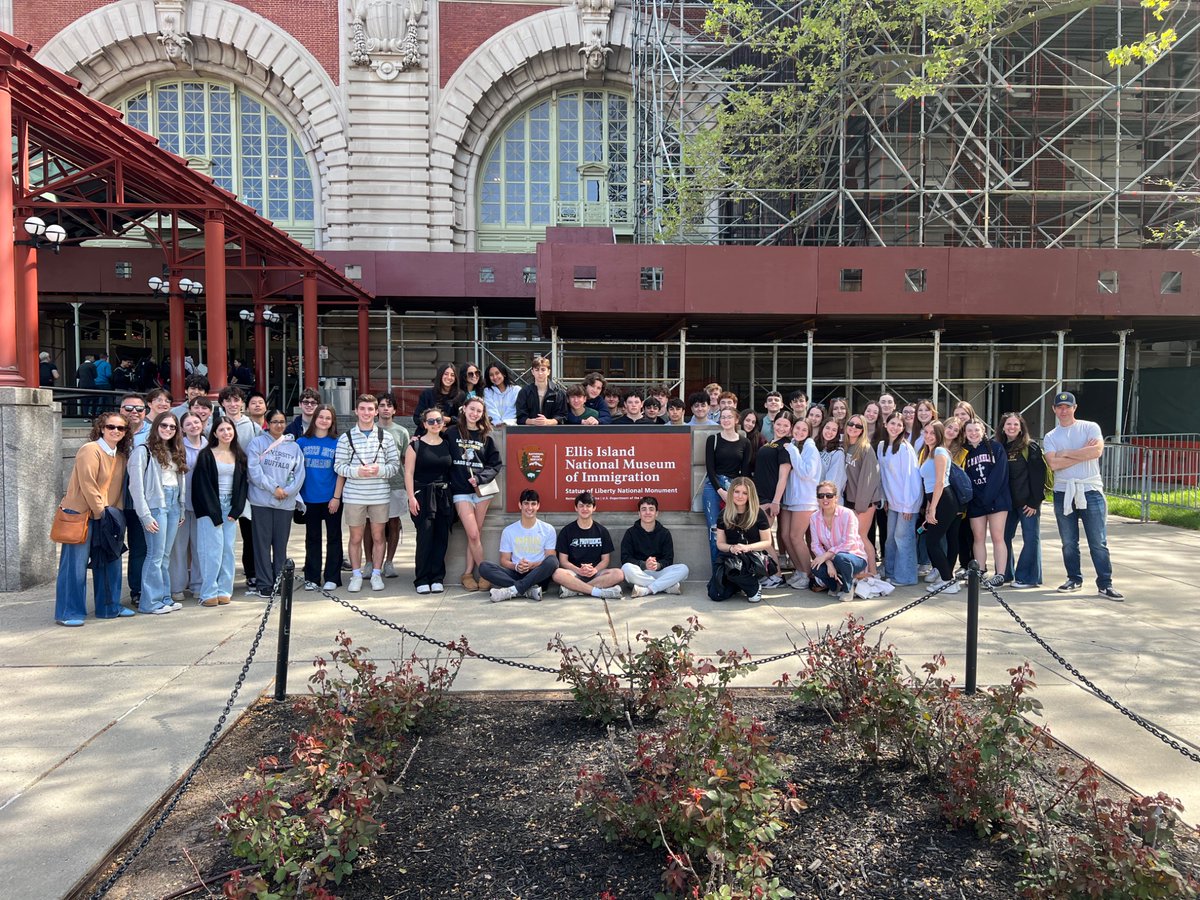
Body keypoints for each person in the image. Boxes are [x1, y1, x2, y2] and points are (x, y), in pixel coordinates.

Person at [54, 412, 132, 625]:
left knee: (110, 562)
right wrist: (101, 513)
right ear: (101, 428)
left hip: (107, 515)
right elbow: (88, 485)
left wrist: (115, 516)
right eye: (110, 427)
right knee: (75, 567)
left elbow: (118, 491)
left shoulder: (121, 456)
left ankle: (109, 607)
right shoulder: (90, 450)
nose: (115, 431)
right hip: (81, 515)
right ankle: (69, 612)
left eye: (120, 428)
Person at [1043, 392, 1122, 600]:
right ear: (1054, 409)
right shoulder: (1051, 436)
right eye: (1059, 407)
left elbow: (1096, 451)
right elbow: (1053, 464)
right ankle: (1074, 578)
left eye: (1067, 407)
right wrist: (1080, 453)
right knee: (1069, 541)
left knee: (1098, 541)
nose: (1063, 410)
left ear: (1074, 408)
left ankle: (1105, 583)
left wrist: (1066, 452)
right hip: (1063, 492)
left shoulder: (1090, 427)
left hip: (1090, 491)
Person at [336, 394, 402, 592]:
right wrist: (357, 471)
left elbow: (394, 466)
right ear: (356, 411)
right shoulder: (346, 437)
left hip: (379, 494)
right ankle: (356, 574)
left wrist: (379, 470)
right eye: (362, 409)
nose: (366, 413)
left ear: (376, 412)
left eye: (370, 409)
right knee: (355, 537)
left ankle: (376, 573)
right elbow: (339, 466)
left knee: (379, 536)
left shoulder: (386, 437)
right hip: (354, 494)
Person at [128, 411, 187, 614]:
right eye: (164, 426)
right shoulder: (142, 451)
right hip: (155, 506)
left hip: (172, 504)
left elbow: (179, 483)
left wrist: (181, 508)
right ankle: (149, 602)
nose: (168, 430)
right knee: (154, 555)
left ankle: (164, 597)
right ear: (156, 427)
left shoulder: (175, 450)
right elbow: (135, 487)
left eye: (172, 427)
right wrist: (145, 515)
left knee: (165, 555)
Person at [246, 409, 306, 598]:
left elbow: (299, 473)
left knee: (280, 544)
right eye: (274, 422)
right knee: (262, 544)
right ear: (268, 423)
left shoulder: (293, 446)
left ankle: (280, 581)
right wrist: (274, 488)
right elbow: (254, 471)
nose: (279, 425)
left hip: (285, 502)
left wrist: (288, 491)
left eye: (282, 422)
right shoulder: (257, 443)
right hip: (261, 501)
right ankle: (264, 583)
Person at [447, 397, 501, 591]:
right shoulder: (452, 433)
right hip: (461, 491)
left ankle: (468, 573)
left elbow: (495, 464)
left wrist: (479, 478)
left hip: (482, 491)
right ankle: (485, 572)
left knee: (475, 535)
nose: (475, 414)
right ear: (464, 409)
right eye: (472, 409)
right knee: (472, 532)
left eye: (479, 411)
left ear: (482, 413)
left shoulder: (486, 435)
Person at [192, 419, 249, 607]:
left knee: (227, 551)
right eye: (221, 429)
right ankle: (208, 592)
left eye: (229, 429)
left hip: (230, 508)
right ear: (215, 433)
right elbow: (202, 486)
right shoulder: (206, 455)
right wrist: (214, 512)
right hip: (211, 508)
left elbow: (242, 485)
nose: (226, 432)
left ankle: (225, 590)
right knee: (211, 551)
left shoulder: (239, 455)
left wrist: (237, 509)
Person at [404, 405, 454, 593]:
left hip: (443, 495)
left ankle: (437, 577)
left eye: (438, 421)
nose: (435, 424)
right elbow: (408, 473)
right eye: (431, 421)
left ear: (443, 423)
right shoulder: (415, 445)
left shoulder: (448, 443)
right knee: (425, 537)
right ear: (424, 424)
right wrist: (411, 497)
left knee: (441, 537)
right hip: (422, 495)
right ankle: (422, 578)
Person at [482, 488, 559, 602]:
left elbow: (549, 558)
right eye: (526, 503)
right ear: (520, 505)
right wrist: (516, 566)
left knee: (553, 560)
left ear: (538, 506)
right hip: (516, 573)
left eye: (533, 504)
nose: (529, 508)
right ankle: (528, 591)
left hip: (539, 575)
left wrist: (532, 565)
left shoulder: (548, 529)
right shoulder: (509, 531)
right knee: (484, 567)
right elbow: (504, 560)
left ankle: (513, 590)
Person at [298, 404, 343, 591]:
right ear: (314, 418)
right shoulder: (302, 442)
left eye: (328, 418)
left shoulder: (338, 442)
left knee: (334, 537)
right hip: (309, 499)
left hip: (331, 498)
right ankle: (312, 577)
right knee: (312, 538)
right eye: (321, 417)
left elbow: (341, 472)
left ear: (332, 421)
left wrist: (336, 497)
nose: (324, 421)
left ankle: (333, 576)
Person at [218, 386, 259, 592]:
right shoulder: (215, 425)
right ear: (222, 403)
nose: (233, 404)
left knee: (249, 531)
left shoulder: (252, 426)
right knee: (222, 533)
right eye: (228, 401)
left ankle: (251, 573)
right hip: (223, 483)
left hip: (247, 483)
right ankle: (221, 575)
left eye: (237, 400)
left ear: (242, 403)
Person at [962, 418, 1010, 588]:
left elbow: (1000, 474)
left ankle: (1000, 574)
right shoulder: (964, 452)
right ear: (965, 433)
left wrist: (988, 496)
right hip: (976, 501)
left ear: (983, 431)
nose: (973, 433)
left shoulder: (995, 448)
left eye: (977, 430)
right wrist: (974, 498)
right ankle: (980, 571)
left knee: (998, 537)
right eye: (970, 431)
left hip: (997, 500)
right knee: (978, 537)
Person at [1000, 412, 1045, 589]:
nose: (1012, 427)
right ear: (1002, 427)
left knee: (1031, 538)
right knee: (1003, 538)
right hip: (1007, 504)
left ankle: (1028, 577)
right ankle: (1005, 573)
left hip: (1028, 504)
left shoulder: (1030, 447)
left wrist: (1035, 502)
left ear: (1021, 427)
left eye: (1015, 424)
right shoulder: (999, 447)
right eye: (1008, 424)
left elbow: (1038, 476)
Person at [703, 407, 753, 568]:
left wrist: (734, 493)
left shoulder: (745, 442)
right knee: (714, 531)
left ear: (736, 420)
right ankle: (717, 571)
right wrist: (721, 491)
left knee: (735, 530)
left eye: (729, 417)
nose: (725, 420)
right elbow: (710, 469)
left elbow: (745, 473)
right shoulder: (713, 439)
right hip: (714, 487)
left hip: (736, 488)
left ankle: (735, 570)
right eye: (723, 417)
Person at [709, 477, 772, 603]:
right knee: (715, 594)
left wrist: (747, 547)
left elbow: (767, 542)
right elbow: (720, 544)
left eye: (745, 493)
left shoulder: (758, 513)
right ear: (731, 492)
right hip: (730, 555)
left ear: (750, 495)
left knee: (735, 570)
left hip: (751, 556)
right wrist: (731, 548)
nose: (740, 496)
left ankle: (753, 586)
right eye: (737, 492)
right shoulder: (724, 514)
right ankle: (739, 584)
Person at [551, 491, 625, 599]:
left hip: (596, 574)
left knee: (619, 574)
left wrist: (594, 570)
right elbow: (563, 561)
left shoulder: (602, 531)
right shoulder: (566, 531)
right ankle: (596, 591)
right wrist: (578, 570)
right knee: (557, 574)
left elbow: (605, 560)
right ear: (576, 508)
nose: (584, 509)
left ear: (594, 508)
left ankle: (575, 590)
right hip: (574, 574)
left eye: (588, 506)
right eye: (581, 506)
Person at [370, 393, 412, 578]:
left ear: (395, 410)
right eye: (382, 405)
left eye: (389, 405)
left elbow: (405, 459)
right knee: (369, 524)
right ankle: (370, 562)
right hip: (372, 484)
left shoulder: (401, 432)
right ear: (376, 409)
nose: (385, 408)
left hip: (395, 484)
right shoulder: (368, 429)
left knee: (394, 522)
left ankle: (389, 562)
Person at [877, 412, 921, 585]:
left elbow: (912, 478)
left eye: (899, 425)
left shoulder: (905, 448)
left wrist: (908, 506)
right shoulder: (882, 446)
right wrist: (886, 499)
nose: (895, 427)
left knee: (903, 539)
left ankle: (906, 577)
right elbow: (884, 477)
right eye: (892, 423)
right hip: (892, 501)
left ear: (903, 428)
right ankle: (891, 571)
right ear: (886, 424)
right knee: (890, 539)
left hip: (906, 503)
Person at [918, 420, 961, 594]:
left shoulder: (940, 451)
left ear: (939, 435)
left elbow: (940, 482)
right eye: (926, 432)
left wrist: (933, 508)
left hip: (944, 499)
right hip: (936, 499)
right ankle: (947, 579)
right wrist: (929, 508)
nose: (928, 436)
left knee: (932, 542)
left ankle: (948, 581)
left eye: (932, 433)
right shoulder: (929, 452)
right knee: (935, 540)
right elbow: (929, 485)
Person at [169, 412, 207, 603]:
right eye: (188, 424)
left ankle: (199, 585)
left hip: (203, 505)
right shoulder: (176, 447)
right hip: (180, 504)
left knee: (201, 547)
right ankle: (176, 586)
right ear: (182, 428)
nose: (194, 426)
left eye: (197, 422)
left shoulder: (210, 446)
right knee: (179, 548)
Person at [809, 480, 869, 600]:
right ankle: (835, 586)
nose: (825, 498)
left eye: (829, 495)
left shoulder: (847, 514)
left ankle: (848, 588)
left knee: (841, 558)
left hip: (853, 557)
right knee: (815, 566)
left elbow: (849, 543)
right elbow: (815, 545)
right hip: (832, 559)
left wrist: (827, 555)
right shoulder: (814, 517)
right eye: (821, 496)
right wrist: (828, 562)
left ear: (836, 498)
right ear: (817, 499)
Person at [620, 496, 689, 596]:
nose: (647, 512)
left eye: (651, 509)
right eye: (644, 509)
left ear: (656, 513)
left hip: (659, 573)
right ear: (639, 513)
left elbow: (669, 559)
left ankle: (647, 590)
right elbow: (625, 559)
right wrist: (644, 565)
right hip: (640, 573)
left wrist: (658, 565)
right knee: (626, 568)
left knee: (684, 569)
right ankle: (666, 587)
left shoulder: (664, 533)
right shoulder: (630, 533)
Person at [754, 412, 793, 584]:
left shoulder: (785, 447)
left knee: (764, 538)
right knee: (761, 536)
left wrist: (775, 501)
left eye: (786, 425)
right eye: (779, 424)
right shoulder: (771, 443)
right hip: (759, 496)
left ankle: (777, 575)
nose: (781, 428)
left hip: (769, 499)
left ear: (790, 428)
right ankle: (770, 572)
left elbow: (783, 476)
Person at [781, 418, 820, 588]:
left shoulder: (810, 447)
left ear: (809, 432)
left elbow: (806, 473)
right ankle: (799, 570)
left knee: (796, 537)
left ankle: (807, 574)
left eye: (804, 430)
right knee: (785, 536)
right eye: (797, 428)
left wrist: (793, 452)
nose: (800, 432)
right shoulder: (793, 444)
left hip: (805, 499)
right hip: (790, 499)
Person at [842, 414, 882, 577]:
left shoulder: (865, 448)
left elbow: (869, 480)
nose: (853, 427)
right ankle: (862, 571)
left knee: (861, 536)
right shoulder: (845, 446)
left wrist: (861, 505)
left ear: (863, 430)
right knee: (854, 538)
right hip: (850, 500)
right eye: (851, 424)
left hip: (865, 502)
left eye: (859, 426)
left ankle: (873, 572)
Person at [414, 362, 464, 435]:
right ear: (440, 375)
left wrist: (449, 420)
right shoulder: (427, 394)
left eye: (452, 375)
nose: (449, 377)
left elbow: (463, 419)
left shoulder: (460, 395)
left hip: (449, 435)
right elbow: (417, 418)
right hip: (427, 434)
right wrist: (436, 426)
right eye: (446, 374)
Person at [516, 356, 567, 425]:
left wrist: (547, 422)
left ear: (548, 372)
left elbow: (562, 416)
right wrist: (533, 421)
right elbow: (520, 417)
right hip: (529, 432)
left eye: (543, 370)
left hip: (553, 432)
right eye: (537, 370)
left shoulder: (558, 392)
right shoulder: (524, 392)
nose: (540, 373)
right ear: (532, 372)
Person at [815, 418, 846, 496]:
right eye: (827, 428)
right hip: (810, 497)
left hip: (826, 499)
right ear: (822, 428)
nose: (829, 432)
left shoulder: (838, 453)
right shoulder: (813, 447)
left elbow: (833, 482)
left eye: (834, 430)